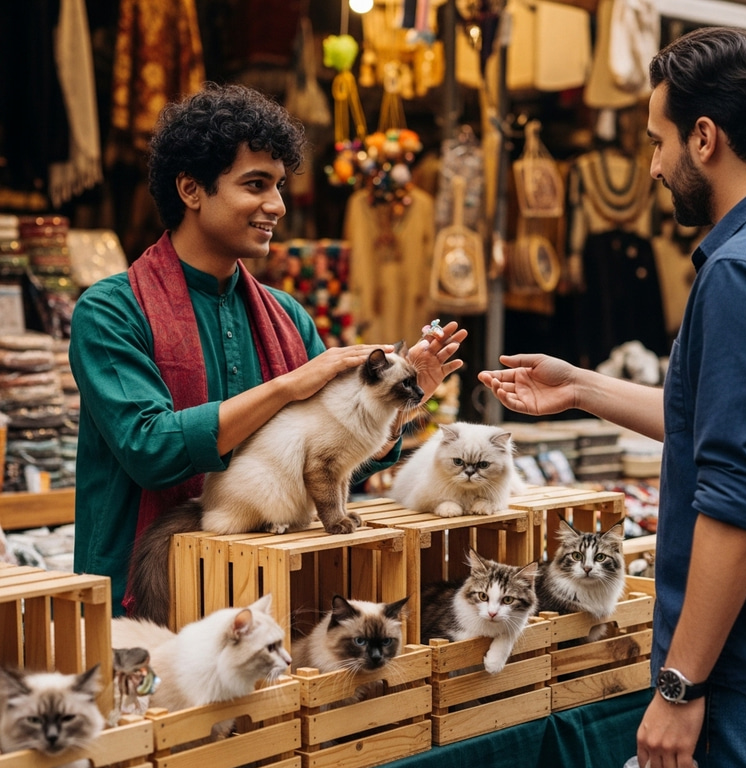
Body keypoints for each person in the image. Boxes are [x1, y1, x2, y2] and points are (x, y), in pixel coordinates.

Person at [479, 26, 746, 768]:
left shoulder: (742, 273)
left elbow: (740, 501)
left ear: (703, 137)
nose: (654, 166)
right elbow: (725, 427)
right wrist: (581, 387)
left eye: (657, 142)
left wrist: (681, 685)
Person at [69, 83, 466, 617]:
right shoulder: (111, 311)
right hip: (143, 601)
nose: (276, 205)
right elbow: (149, 449)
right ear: (191, 189)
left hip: (270, 605)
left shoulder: (287, 315)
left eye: (279, 185)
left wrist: (396, 400)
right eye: (256, 184)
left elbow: (328, 466)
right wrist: (286, 387)